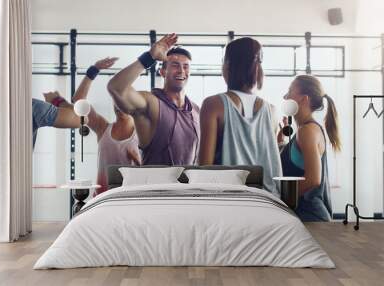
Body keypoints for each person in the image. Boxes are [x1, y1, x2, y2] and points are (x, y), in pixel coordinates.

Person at [45, 57, 141, 196]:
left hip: (129, 198)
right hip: (102, 198)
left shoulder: (142, 133)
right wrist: (94, 70)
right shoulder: (103, 128)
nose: (120, 105)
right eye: (117, 100)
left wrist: (139, 164)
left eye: (124, 101)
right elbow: (79, 101)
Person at [199, 37, 282, 196]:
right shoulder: (272, 111)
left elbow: (204, 168)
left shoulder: (213, 105)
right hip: (267, 200)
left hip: (231, 201)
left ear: (228, 66)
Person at [107, 33, 200, 165]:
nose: (181, 71)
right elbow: (116, 88)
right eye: (174, 65)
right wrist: (149, 57)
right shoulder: (151, 103)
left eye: (185, 66)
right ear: (162, 72)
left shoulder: (196, 111)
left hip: (187, 186)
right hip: (155, 185)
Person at [278, 75, 341, 221]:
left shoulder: (307, 131)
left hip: (311, 219)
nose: (285, 96)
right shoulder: (305, 130)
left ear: (304, 99)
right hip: (304, 217)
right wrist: (280, 144)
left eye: (290, 91)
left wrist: (280, 199)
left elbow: (313, 179)